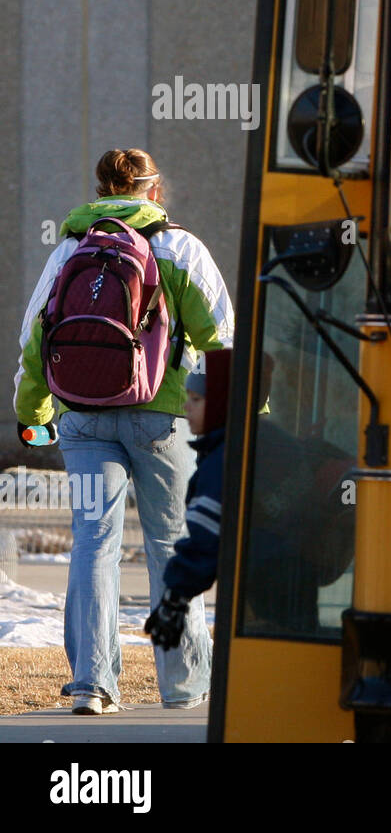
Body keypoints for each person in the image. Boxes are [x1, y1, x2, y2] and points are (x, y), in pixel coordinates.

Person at [13, 148, 234, 714]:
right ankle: (184, 686)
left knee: (92, 543)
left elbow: (35, 343)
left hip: (82, 421)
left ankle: (91, 684)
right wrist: (243, 420)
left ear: (99, 189)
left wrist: (34, 417)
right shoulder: (180, 247)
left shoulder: (68, 249)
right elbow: (223, 342)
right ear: (154, 191)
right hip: (164, 421)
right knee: (170, 543)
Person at [145, 348, 231, 650]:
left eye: (196, 400)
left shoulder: (220, 462)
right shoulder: (252, 445)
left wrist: (176, 595)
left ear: (223, 403)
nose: (186, 407)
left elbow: (205, 540)